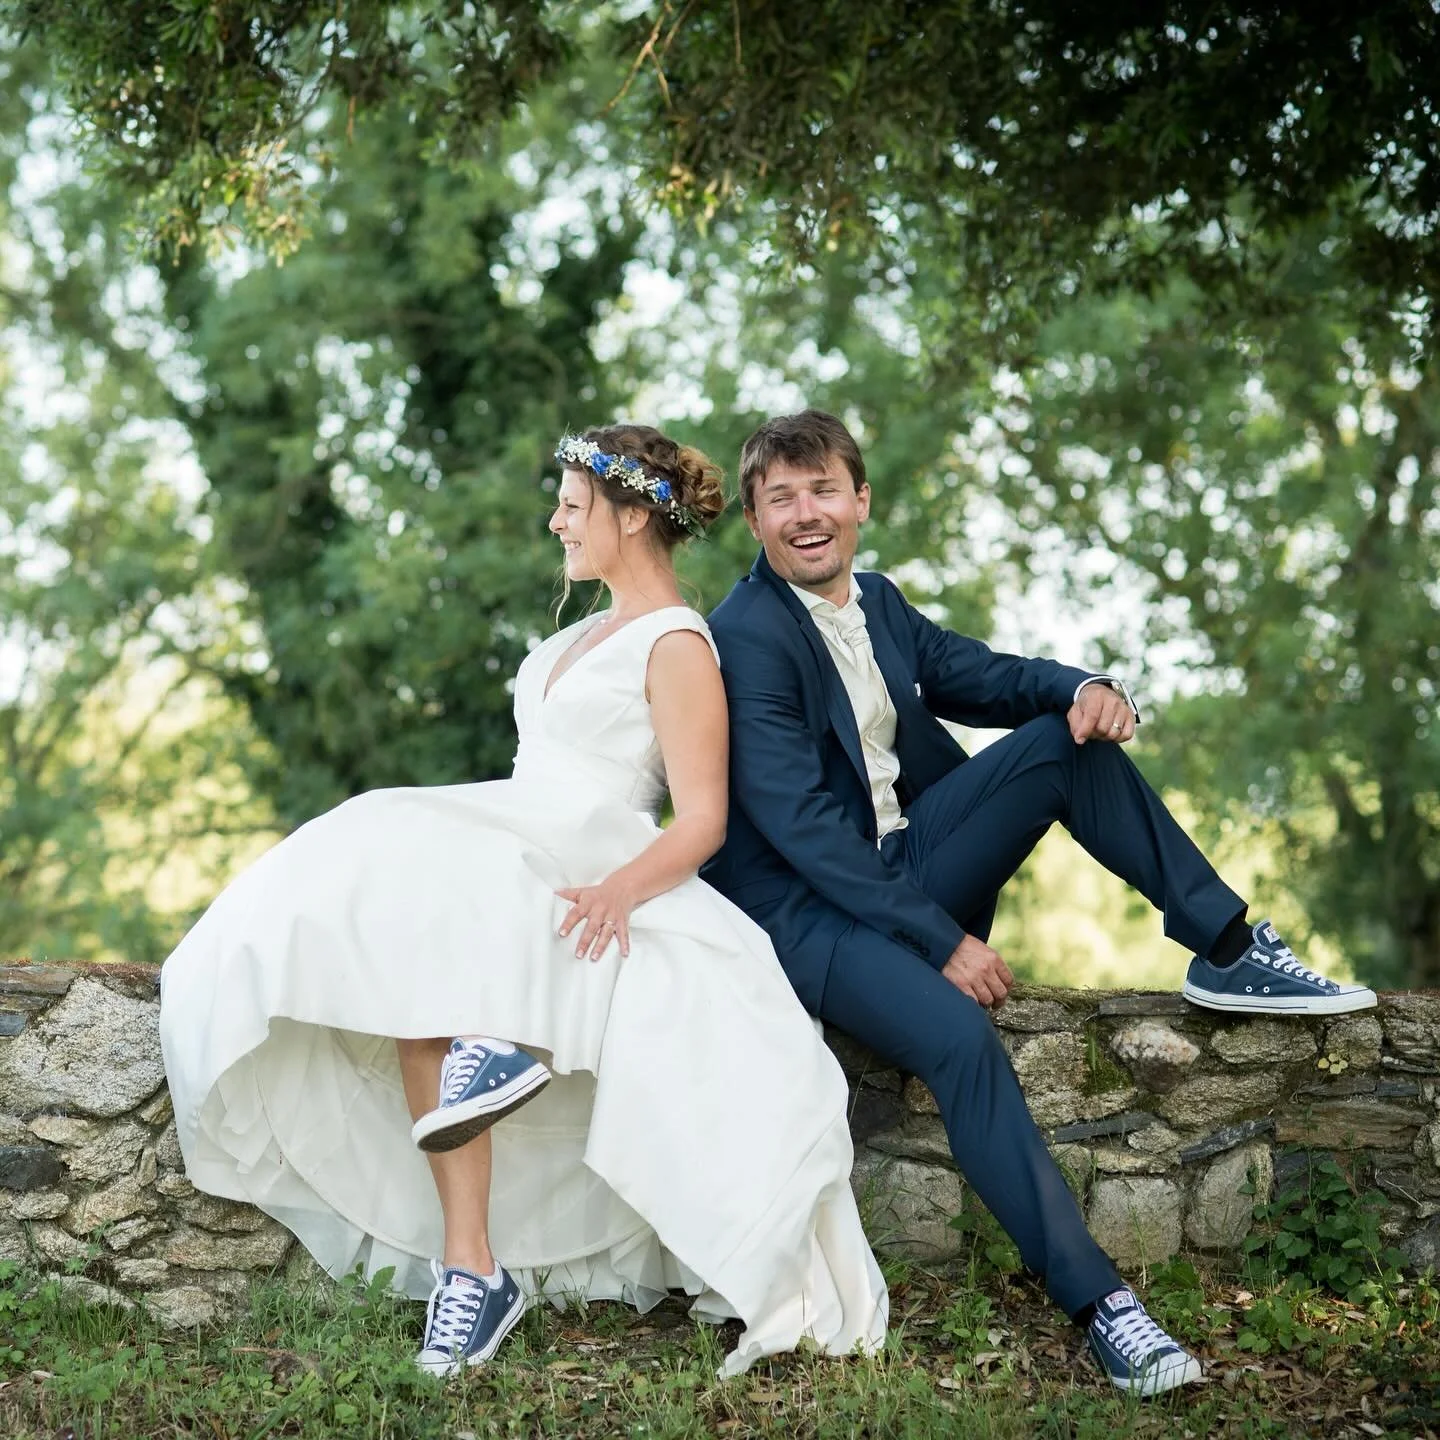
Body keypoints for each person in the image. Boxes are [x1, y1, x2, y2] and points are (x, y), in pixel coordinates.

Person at [159, 424, 888, 1380]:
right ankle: (474, 1268)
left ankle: (502, 1055)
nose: (557, 522)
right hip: (515, 835)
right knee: (399, 930)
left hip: (595, 854)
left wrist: (619, 893)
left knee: (424, 876)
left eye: (574, 508)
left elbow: (702, 818)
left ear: (631, 518)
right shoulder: (576, 636)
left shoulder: (678, 644)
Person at [702, 408, 1376, 1397]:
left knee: (1068, 738)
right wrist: (941, 942)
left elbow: (981, 674)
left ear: (860, 501)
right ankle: (1104, 1304)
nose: (808, 514)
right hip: (811, 913)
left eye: (824, 491)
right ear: (756, 522)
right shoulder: (745, 634)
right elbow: (801, 830)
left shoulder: (879, 603)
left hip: (906, 861)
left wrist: (1089, 684)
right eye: (782, 498)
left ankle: (1228, 947)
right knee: (962, 1042)